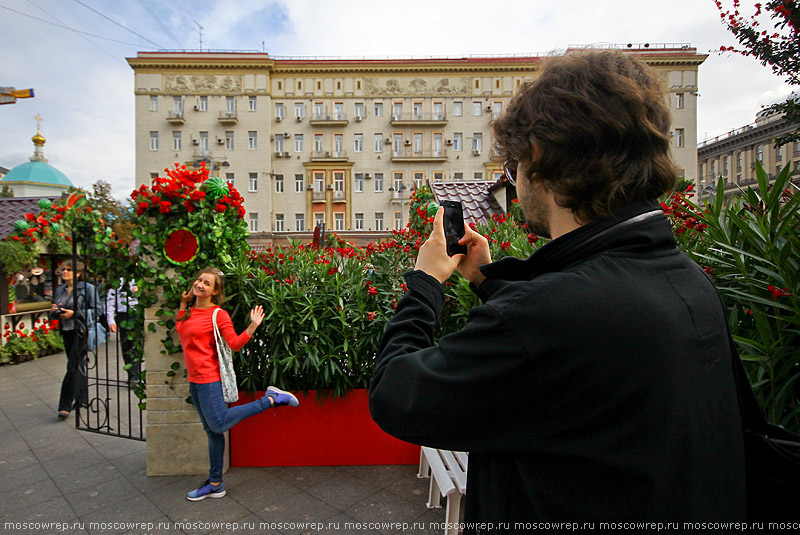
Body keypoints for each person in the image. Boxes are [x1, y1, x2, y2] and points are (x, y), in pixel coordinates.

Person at [369, 51, 746, 529]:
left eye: (514, 164)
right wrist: (488, 280)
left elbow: (395, 395)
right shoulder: (684, 279)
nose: (514, 179)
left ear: (541, 162)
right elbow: (563, 348)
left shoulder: (548, 316)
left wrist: (424, 284)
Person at [177, 266, 300, 501]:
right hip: (194, 380)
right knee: (212, 433)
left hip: (209, 380)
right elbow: (180, 328)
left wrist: (253, 325)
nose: (200, 284)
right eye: (199, 280)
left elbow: (234, 344)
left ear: (214, 291)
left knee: (220, 423)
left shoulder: (218, 315)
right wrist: (183, 305)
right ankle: (215, 484)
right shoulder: (189, 311)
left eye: (207, 283)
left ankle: (272, 399)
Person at [50, 261, 103, 420]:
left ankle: (65, 405)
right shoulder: (61, 289)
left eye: (69, 269)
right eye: (63, 270)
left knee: (72, 366)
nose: (64, 272)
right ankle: (82, 399)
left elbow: (97, 310)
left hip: (81, 331)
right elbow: (56, 309)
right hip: (66, 331)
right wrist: (56, 311)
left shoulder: (87, 289)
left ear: (78, 273)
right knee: (78, 365)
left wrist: (74, 313)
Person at [106, 278, 141, 387]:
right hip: (122, 315)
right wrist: (111, 320)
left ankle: (135, 375)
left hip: (136, 313)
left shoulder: (139, 278)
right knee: (125, 346)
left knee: (136, 345)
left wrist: (139, 292)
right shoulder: (118, 281)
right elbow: (110, 301)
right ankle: (131, 373)